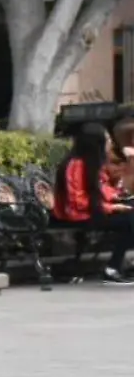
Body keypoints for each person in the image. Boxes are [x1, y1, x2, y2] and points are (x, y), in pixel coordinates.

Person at [54, 122, 134, 285]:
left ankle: (120, 266)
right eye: (107, 139)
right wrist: (112, 207)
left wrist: (120, 198)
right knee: (130, 221)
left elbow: (101, 189)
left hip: (94, 211)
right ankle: (112, 269)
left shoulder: (92, 163)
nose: (110, 143)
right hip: (79, 215)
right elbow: (78, 202)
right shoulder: (76, 165)